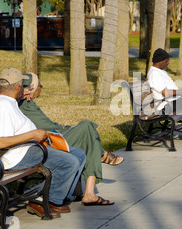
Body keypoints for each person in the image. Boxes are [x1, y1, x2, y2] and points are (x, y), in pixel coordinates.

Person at [0, 68, 86, 218]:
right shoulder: (2, 106)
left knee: (78, 154)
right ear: (17, 87)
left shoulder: (3, 98)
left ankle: (55, 197)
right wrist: (33, 134)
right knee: (69, 162)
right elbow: (0, 142)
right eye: (23, 87)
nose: (26, 90)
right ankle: (41, 200)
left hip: (27, 148)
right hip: (16, 156)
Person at [19, 72, 120, 206]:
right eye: (40, 86)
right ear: (31, 88)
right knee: (87, 127)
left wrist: (64, 127)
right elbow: (46, 128)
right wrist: (65, 129)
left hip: (52, 136)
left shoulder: (27, 103)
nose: (41, 89)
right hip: (51, 141)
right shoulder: (25, 105)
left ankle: (91, 191)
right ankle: (100, 163)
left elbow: (46, 124)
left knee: (89, 135)